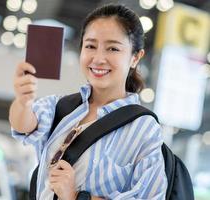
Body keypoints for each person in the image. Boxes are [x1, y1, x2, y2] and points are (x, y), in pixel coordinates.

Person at [9, 3, 167, 200]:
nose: (99, 58)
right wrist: (23, 101)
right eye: (91, 46)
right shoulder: (61, 107)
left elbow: (151, 197)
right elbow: (24, 125)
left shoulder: (143, 128)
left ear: (135, 57)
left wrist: (75, 196)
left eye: (113, 49)